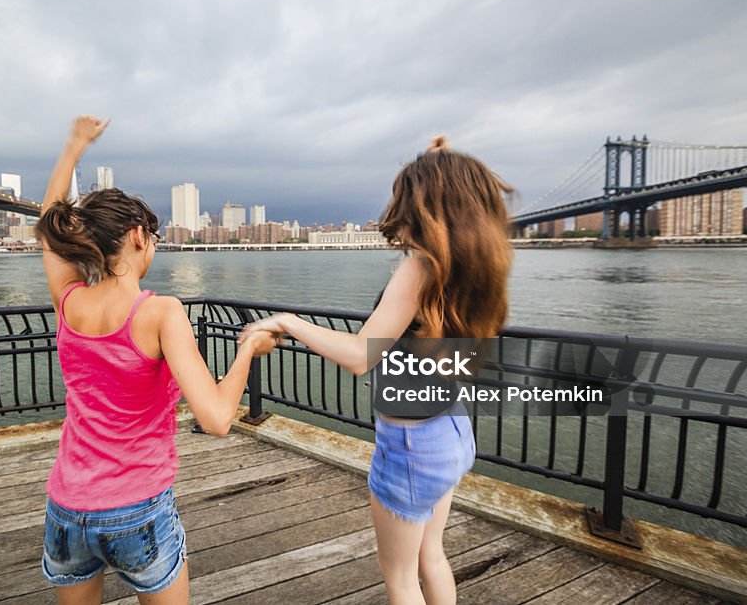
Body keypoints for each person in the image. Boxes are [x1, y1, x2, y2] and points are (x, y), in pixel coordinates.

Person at [239, 135, 513, 605]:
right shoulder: (478, 269)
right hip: (451, 429)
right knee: (432, 556)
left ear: (427, 208)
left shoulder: (420, 270)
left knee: (400, 578)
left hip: (411, 446)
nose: (400, 212)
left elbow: (362, 355)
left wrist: (288, 322)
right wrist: (438, 163)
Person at [36, 115, 277, 605]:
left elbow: (47, 227)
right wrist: (249, 349)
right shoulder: (161, 312)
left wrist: (73, 147)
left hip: (67, 505)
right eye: (155, 236)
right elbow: (216, 419)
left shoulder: (69, 300)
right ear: (137, 236)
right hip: (136, 507)